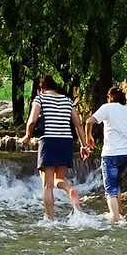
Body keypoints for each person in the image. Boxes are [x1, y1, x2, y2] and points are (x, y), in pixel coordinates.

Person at [22, 75, 91, 221]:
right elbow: (78, 124)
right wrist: (84, 146)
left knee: (47, 185)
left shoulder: (40, 98)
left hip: (49, 141)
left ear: (41, 89)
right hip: (66, 142)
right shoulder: (67, 100)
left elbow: (32, 120)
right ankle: (69, 189)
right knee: (58, 178)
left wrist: (27, 136)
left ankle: (50, 219)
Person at [85, 86, 127, 222]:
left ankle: (116, 219)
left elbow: (89, 121)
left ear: (110, 97)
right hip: (124, 156)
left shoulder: (107, 108)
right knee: (117, 185)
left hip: (110, 154)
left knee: (110, 189)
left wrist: (89, 136)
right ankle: (118, 214)